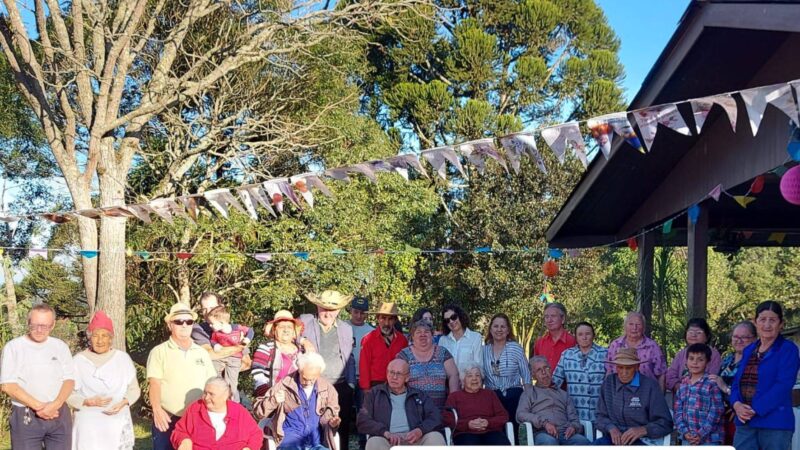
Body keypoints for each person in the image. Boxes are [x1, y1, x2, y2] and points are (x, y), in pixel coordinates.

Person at [1, 303, 75, 450]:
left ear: (53, 325)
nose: (39, 330)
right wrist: (40, 407)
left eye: (45, 326)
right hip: (26, 415)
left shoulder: (60, 347)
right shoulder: (13, 347)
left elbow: (69, 380)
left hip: (58, 413)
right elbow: (7, 385)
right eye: (35, 325)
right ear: (28, 323)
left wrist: (55, 404)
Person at [147, 303, 218, 450]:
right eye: (179, 322)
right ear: (170, 325)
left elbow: (212, 384)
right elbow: (154, 383)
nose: (184, 325)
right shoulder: (159, 352)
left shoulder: (202, 353)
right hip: (168, 418)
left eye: (189, 321)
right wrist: (157, 410)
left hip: (198, 419)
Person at [730, 300, 800, 450]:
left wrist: (754, 409)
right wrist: (736, 405)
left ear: (781, 324)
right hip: (744, 422)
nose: (767, 325)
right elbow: (737, 382)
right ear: (755, 322)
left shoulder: (788, 349)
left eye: (772, 320)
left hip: (775, 424)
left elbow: (783, 385)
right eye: (762, 319)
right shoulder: (749, 350)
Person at [68, 311, 140, 450]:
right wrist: (85, 401)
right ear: (89, 337)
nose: (100, 341)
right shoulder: (78, 361)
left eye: (104, 336)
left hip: (116, 420)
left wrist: (123, 403)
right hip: (88, 425)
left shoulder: (122, 359)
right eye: (95, 335)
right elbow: (68, 393)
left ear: (110, 338)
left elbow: (134, 389)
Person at [301, 290, 356, 450]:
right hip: (314, 385)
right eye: (324, 308)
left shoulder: (346, 328)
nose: (328, 313)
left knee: (341, 427)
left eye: (332, 309)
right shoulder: (306, 322)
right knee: (314, 426)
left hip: (341, 386)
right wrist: (303, 340)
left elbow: (349, 357)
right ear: (317, 307)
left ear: (338, 310)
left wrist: (351, 384)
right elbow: (287, 332)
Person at [254, 352, 341, 450]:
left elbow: (330, 417)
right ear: (299, 370)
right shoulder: (285, 384)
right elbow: (258, 412)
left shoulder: (327, 388)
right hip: (289, 442)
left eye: (313, 379)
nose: (308, 383)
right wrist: (274, 400)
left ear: (319, 373)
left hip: (316, 442)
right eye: (305, 378)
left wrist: (332, 423)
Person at [356, 359, 446, 450]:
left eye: (399, 374)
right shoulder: (374, 394)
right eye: (391, 372)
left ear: (407, 377)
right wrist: (385, 432)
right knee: (374, 442)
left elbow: (436, 416)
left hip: (415, 439)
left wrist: (420, 430)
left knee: (436, 437)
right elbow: (363, 420)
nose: (394, 377)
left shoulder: (419, 395)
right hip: (387, 440)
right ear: (387, 374)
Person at [595, 348, 673, 445]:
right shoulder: (609, 383)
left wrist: (643, 430)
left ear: (637, 367)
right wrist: (610, 427)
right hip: (614, 438)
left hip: (642, 439)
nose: (624, 372)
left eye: (628, 368)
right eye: (620, 367)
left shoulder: (650, 386)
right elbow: (600, 416)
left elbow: (666, 423)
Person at [171, 377, 263, 450]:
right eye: (205, 393)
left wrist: (249, 448)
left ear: (225, 396)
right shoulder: (195, 409)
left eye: (211, 394)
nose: (206, 398)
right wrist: (184, 440)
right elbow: (179, 431)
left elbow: (256, 434)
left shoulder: (239, 411)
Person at [516, 356, 589, 446]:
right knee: (550, 442)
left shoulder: (563, 394)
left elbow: (574, 419)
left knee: (583, 442)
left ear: (550, 370)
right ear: (533, 375)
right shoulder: (529, 393)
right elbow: (520, 414)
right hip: (542, 432)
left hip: (565, 433)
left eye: (546, 368)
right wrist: (544, 423)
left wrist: (573, 427)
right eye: (539, 370)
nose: (544, 372)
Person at [482, 313, 530, 439]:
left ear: (508, 330)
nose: (499, 330)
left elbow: (526, 375)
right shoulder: (483, 350)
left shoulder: (516, 348)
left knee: (513, 429)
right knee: (495, 431)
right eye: (496, 326)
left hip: (514, 394)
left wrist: (529, 398)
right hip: (492, 395)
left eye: (503, 327)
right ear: (490, 329)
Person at [709, 320, 756, 445]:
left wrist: (725, 387)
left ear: (755, 338)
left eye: (744, 337)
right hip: (720, 418)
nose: (739, 340)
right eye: (735, 336)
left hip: (741, 417)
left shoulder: (754, 361)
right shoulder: (727, 359)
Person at [552, 321, 608, 423]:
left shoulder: (605, 354)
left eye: (588, 334)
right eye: (580, 334)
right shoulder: (567, 355)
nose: (584, 337)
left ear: (593, 336)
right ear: (576, 337)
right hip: (574, 413)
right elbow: (555, 382)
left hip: (598, 412)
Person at [443, 362, 510, 445]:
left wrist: (488, 422)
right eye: (470, 376)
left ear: (481, 378)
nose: (474, 378)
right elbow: (448, 419)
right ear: (463, 379)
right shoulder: (454, 397)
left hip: (491, 431)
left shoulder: (490, 394)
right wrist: (468, 424)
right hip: (465, 433)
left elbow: (503, 416)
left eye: (477, 375)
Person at [397, 320, 459, 409]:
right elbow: (397, 379)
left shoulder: (442, 352)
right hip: (412, 410)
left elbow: (454, 375)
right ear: (412, 336)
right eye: (418, 332)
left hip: (439, 409)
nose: (423, 335)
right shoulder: (404, 355)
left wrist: (452, 400)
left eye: (426, 332)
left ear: (432, 335)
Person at [253, 310, 314, 397]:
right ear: (274, 330)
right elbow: (256, 372)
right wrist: (266, 393)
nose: (286, 330)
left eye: (289, 327)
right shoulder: (267, 348)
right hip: (274, 398)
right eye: (281, 327)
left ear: (294, 331)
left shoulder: (301, 350)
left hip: (298, 399)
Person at [673, 343, 724, 445]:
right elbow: (677, 412)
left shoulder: (711, 384)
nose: (695, 362)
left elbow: (716, 411)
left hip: (709, 440)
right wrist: (685, 432)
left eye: (700, 359)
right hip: (687, 439)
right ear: (686, 361)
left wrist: (701, 433)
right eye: (691, 359)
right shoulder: (683, 385)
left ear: (707, 363)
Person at [606, 311, 667, 391]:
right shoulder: (615, 345)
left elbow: (661, 374)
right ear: (625, 326)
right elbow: (609, 371)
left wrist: (660, 398)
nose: (634, 328)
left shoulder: (652, 346)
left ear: (643, 327)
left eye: (638, 324)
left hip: (646, 393)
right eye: (631, 324)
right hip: (619, 393)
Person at [192, 292, 251, 373]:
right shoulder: (198, 329)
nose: (208, 312)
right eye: (204, 309)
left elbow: (247, 363)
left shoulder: (232, 329)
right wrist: (240, 347)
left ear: (221, 308)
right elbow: (209, 354)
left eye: (212, 307)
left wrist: (227, 369)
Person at [207, 305, 254, 402]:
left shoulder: (236, 328)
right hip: (220, 357)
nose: (210, 326)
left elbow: (250, 330)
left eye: (212, 324)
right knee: (214, 377)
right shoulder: (215, 333)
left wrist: (247, 339)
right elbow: (213, 340)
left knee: (231, 382)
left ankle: (232, 401)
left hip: (234, 358)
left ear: (221, 323)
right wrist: (215, 345)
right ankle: (216, 396)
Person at [359, 302, 409, 389]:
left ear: (395, 320)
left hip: (397, 384)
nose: (386, 323)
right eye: (383, 318)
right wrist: (366, 389)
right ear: (377, 318)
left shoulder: (402, 340)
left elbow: (406, 365)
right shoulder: (368, 339)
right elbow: (364, 367)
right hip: (375, 385)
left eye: (390, 319)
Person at [666, 318, 722, 393]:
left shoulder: (713, 354)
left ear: (707, 336)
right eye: (690, 332)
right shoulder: (681, 354)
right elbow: (670, 376)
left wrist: (694, 389)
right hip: (681, 398)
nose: (694, 335)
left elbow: (713, 377)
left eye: (698, 332)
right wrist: (679, 387)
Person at [533, 303, 576, 371]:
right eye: (546, 317)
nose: (549, 320)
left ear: (563, 319)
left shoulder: (573, 342)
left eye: (553, 316)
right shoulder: (539, 343)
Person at [439, 304, 483, 369]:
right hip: (448, 379)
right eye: (447, 320)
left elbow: (478, 366)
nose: (451, 321)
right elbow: (440, 365)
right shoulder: (443, 340)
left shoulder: (475, 337)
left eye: (453, 317)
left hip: (468, 379)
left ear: (460, 316)